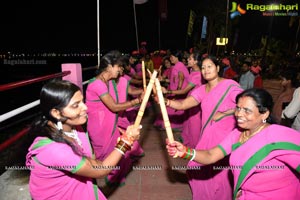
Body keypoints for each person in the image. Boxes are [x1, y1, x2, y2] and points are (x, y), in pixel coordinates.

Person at [167, 88, 300, 200]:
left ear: (264, 114)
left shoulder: (279, 137)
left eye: (247, 110)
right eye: (238, 108)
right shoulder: (238, 134)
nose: (239, 114)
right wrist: (184, 151)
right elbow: (211, 155)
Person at [26, 79, 141, 200]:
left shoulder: (76, 127)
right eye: (76, 105)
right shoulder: (55, 150)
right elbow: (101, 170)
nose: (85, 107)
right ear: (56, 113)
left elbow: (91, 161)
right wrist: (126, 141)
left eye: (82, 101)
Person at [165, 55, 243, 199]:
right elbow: (183, 104)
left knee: (220, 174)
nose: (206, 70)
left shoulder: (230, 86)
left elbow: (244, 104)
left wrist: (225, 113)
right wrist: (166, 102)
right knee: (197, 166)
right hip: (206, 136)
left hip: (225, 137)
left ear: (218, 68)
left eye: (210, 66)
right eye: (203, 68)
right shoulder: (202, 89)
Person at [85, 50, 143, 186]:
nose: (120, 70)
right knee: (105, 153)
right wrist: (136, 101)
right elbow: (114, 107)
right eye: (118, 67)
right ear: (110, 66)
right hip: (99, 126)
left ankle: (115, 175)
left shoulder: (108, 82)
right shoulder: (97, 84)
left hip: (109, 123)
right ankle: (107, 176)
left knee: (116, 150)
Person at [161, 51, 203, 147]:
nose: (187, 60)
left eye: (190, 59)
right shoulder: (192, 71)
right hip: (190, 100)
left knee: (194, 127)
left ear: (196, 61)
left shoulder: (197, 75)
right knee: (187, 123)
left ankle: (195, 149)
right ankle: (187, 141)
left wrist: (168, 92)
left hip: (195, 103)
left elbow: (184, 91)